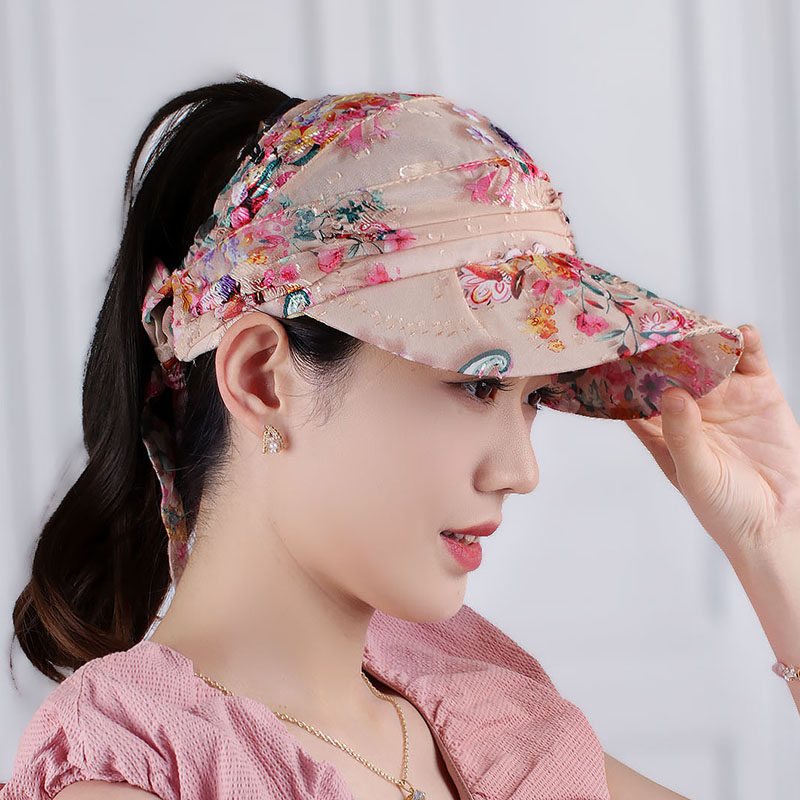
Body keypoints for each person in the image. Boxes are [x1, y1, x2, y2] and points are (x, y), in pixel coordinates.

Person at [2, 76, 799, 800]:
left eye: (532, 399)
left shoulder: (496, 722)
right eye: (479, 383)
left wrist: (778, 546)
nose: (522, 471)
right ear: (261, 378)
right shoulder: (129, 776)